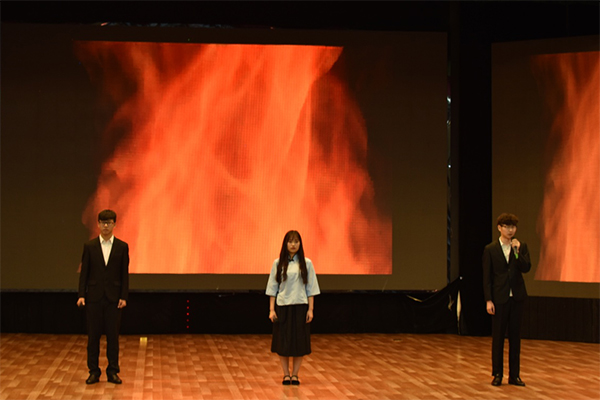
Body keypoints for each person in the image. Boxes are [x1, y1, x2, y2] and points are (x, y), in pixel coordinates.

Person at [77, 209, 129, 385]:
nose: (106, 226)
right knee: (93, 337)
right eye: (103, 223)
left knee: (113, 338)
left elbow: (124, 274)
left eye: (109, 223)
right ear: (98, 224)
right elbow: (84, 273)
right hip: (94, 298)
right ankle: (93, 371)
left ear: (114, 224)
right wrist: (81, 295)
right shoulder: (89, 246)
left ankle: (113, 371)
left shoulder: (122, 247)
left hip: (114, 299)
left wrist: (123, 296)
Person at [265, 230, 320, 386]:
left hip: (300, 307)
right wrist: (271, 310)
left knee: (299, 343)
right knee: (283, 343)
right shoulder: (278, 263)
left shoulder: (307, 263)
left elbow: (311, 288)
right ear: (285, 244)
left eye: (296, 241)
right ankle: (285, 374)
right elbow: (272, 288)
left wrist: (310, 309)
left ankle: (295, 375)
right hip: (283, 307)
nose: (293, 245)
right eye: (290, 241)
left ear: (300, 244)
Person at [483, 213, 531, 387]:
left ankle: (514, 375)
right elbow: (487, 277)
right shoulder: (491, 249)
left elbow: (526, 267)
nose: (510, 230)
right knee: (498, 338)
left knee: (515, 338)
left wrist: (517, 253)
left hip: (517, 298)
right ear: (499, 228)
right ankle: (497, 374)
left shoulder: (520, 246)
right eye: (507, 227)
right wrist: (489, 300)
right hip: (499, 298)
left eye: (513, 227)